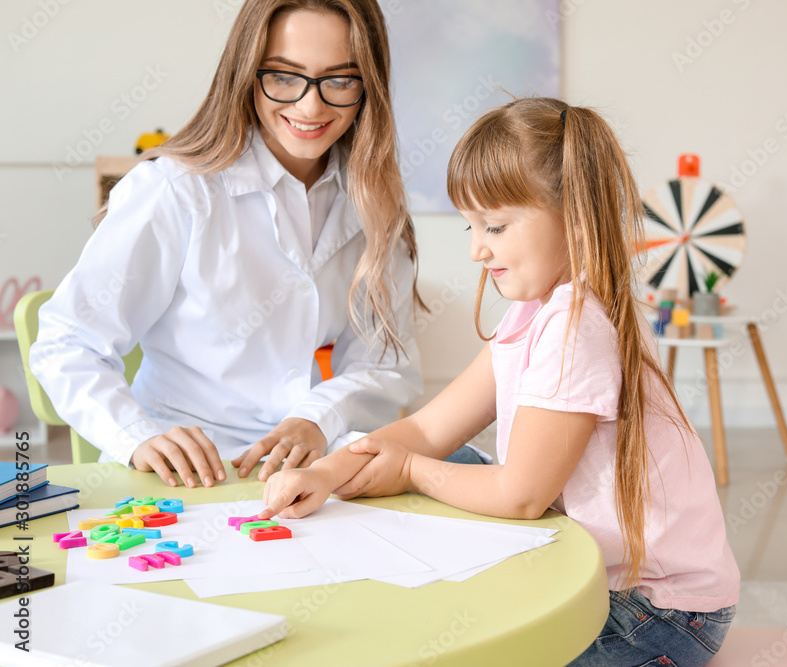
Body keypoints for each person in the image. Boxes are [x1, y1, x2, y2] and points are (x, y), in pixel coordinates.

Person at [259, 97, 740, 666]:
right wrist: (329, 470)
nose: (475, 249)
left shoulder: (578, 323)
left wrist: (410, 470)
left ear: (575, 217)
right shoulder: (536, 308)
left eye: (495, 226)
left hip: (657, 611)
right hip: (594, 571)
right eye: (471, 225)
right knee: (456, 457)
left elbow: (521, 495)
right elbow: (429, 428)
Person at [30, 0, 425, 489]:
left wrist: (318, 419)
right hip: (187, 472)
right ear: (246, 73)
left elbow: (385, 362)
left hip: (307, 467)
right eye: (284, 75)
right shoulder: (175, 190)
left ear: (370, 88)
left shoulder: (372, 201)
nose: (311, 107)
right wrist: (136, 435)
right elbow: (68, 343)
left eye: (340, 80)